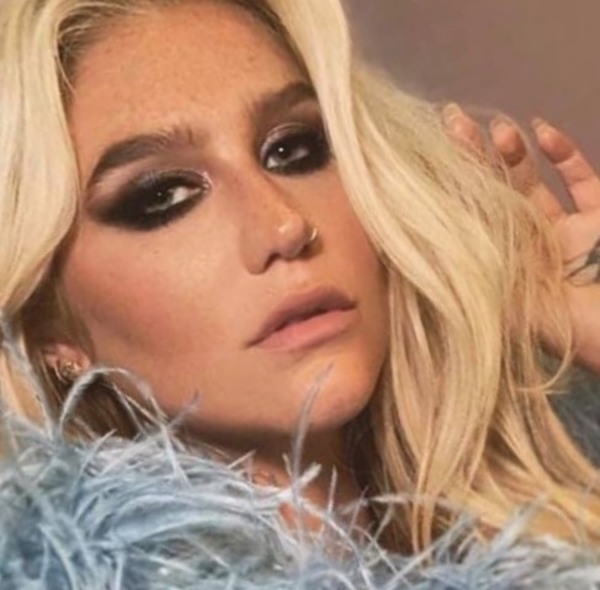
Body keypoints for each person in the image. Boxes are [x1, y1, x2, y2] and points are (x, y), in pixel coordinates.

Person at [0, 0, 599, 556]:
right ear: (52, 329)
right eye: (165, 195)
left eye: (292, 149)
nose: (284, 225)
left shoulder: (548, 543)